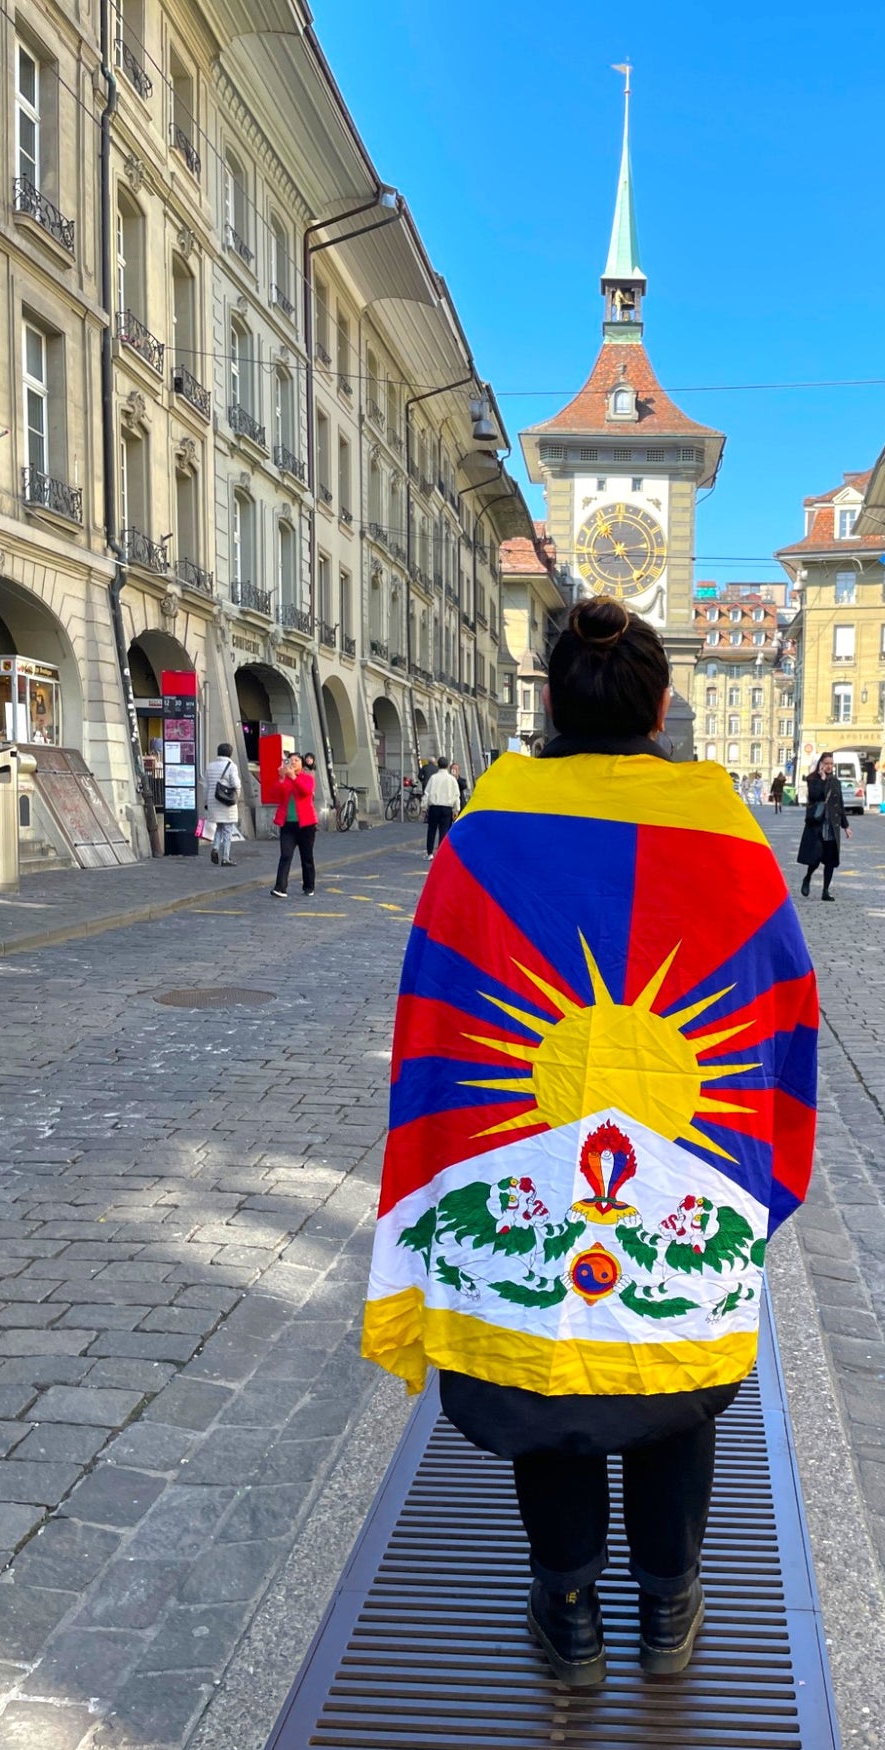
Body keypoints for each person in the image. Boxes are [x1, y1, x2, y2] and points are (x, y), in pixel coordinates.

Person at [362, 597, 819, 1690]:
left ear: (548, 709)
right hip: (682, 1164)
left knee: (548, 1386)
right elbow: (783, 1013)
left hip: (520, 1160)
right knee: (669, 1382)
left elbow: (430, 1021)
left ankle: (568, 1611)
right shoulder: (735, 848)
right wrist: (756, 1173)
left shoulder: (478, 841)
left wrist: (442, 1166)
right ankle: (669, 1604)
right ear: (660, 709)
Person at [797, 752, 848, 902]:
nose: (829, 766)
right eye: (826, 763)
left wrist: (846, 826)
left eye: (831, 764)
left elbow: (840, 805)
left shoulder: (836, 782)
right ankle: (807, 877)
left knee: (830, 860)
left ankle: (825, 891)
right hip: (817, 825)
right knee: (816, 857)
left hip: (832, 825)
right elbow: (815, 796)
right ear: (821, 764)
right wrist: (823, 780)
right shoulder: (812, 779)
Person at [271, 751, 317, 898]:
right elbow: (276, 794)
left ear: (302, 764)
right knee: (285, 855)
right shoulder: (285, 779)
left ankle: (309, 886)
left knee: (306, 857)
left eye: (296, 760)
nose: (293, 762)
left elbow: (306, 791)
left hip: (306, 825)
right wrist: (281, 778)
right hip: (288, 824)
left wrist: (293, 777)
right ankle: (280, 887)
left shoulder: (307, 778)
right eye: (290, 760)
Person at [202, 741, 241, 867]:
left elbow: (206, 786)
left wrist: (206, 801)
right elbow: (235, 784)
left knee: (219, 827)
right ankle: (225, 858)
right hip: (226, 802)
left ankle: (215, 848)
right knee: (228, 830)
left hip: (213, 801)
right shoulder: (231, 766)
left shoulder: (210, 766)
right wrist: (237, 793)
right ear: (230, 753)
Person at [423, 755, 459, 856]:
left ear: (438, 765)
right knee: (444, 831)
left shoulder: (433, 778)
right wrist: (456, 809)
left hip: (434, 807)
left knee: (432, 830)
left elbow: (427, 793)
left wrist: (424, 807)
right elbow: (456, 795)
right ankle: (441, 853)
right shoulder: (452, 779)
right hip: (447, 808)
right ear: (447, 766)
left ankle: (430, 853)